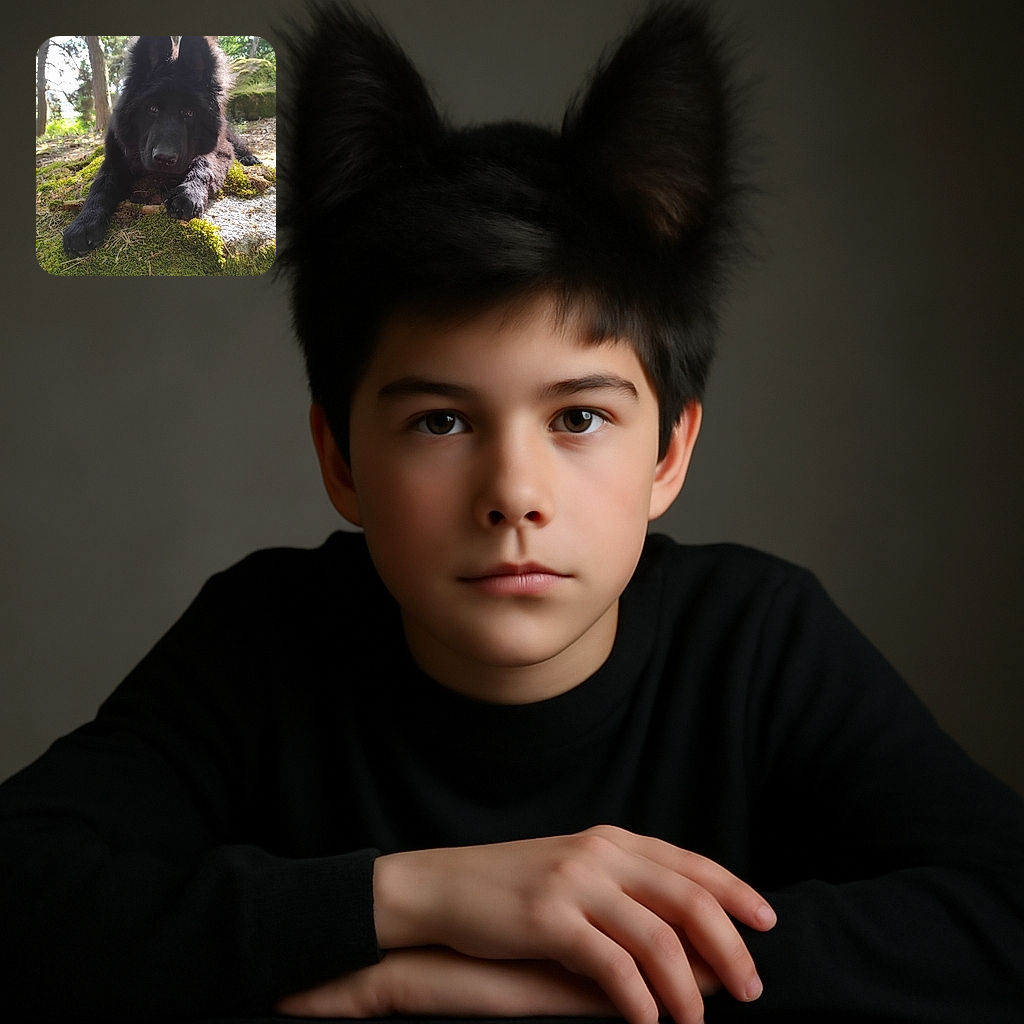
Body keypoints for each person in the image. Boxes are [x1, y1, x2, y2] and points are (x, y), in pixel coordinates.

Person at [3, 3, 1023, 1022]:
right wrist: (419, 895)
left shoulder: (759, 642)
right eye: (441, 421)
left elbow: (1001, 911)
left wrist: (497, 989)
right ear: (341, 460)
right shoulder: (265, 639)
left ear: (669, 452)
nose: (513, 496)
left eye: (578, 415)